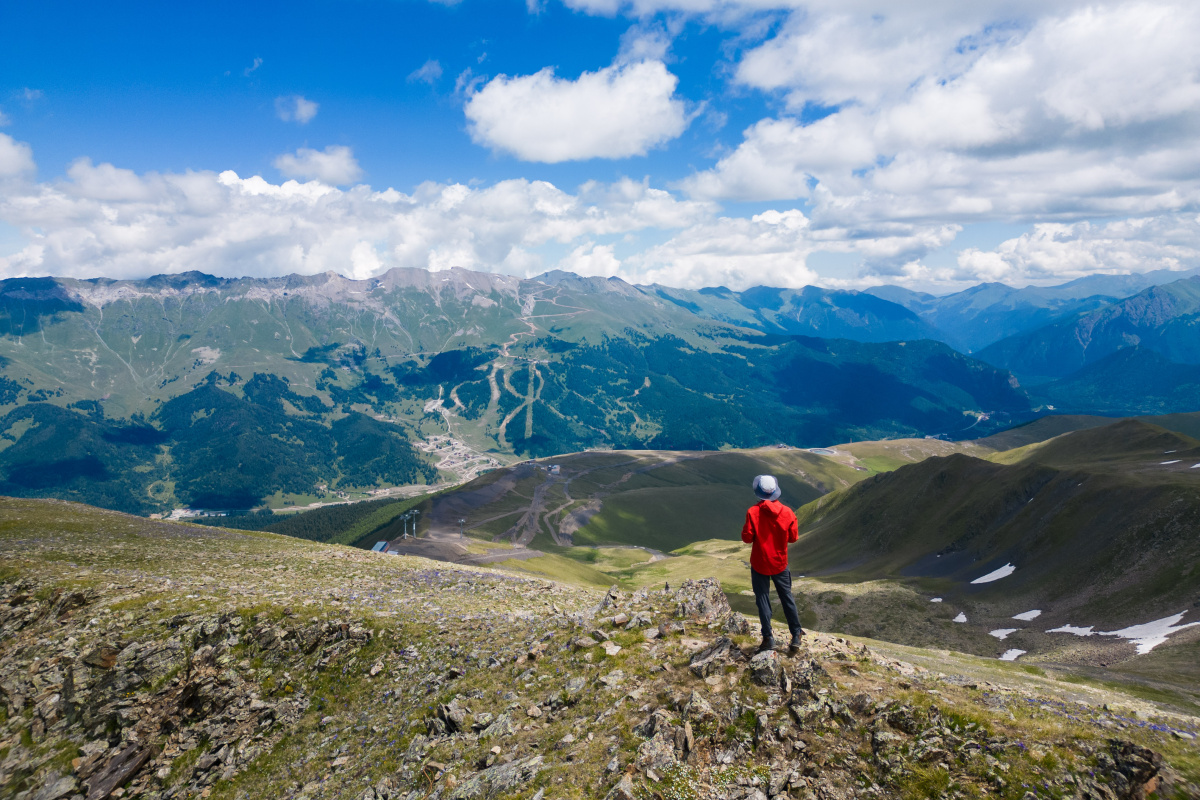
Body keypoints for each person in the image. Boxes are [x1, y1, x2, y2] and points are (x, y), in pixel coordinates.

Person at [741, 474, 804, 654]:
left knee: (762, 599)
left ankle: (768, 637)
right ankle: (796, 634)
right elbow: (793, 538)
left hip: (760, 562)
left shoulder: (753, 512)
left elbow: (747, 538)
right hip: (780, 562)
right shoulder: (788, 513)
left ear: (759, 492)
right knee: (787, 597)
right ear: (775, 491)